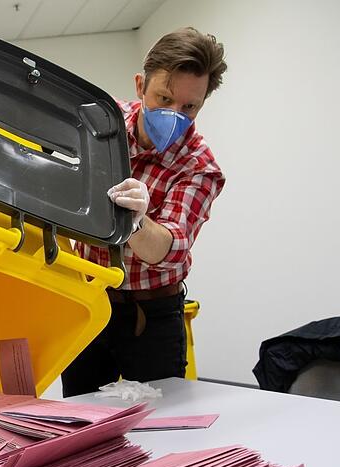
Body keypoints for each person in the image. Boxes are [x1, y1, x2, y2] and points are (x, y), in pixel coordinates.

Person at [62, 27, 228, 397]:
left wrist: (136, 221)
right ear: (140, 86)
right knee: (80, 419)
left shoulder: (200, 166)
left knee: (162, 426)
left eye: (189, 107)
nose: (174, 115)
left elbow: (165, 250)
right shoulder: (99, 125)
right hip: (89, 303)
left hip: (152, 316)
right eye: (164, 98)